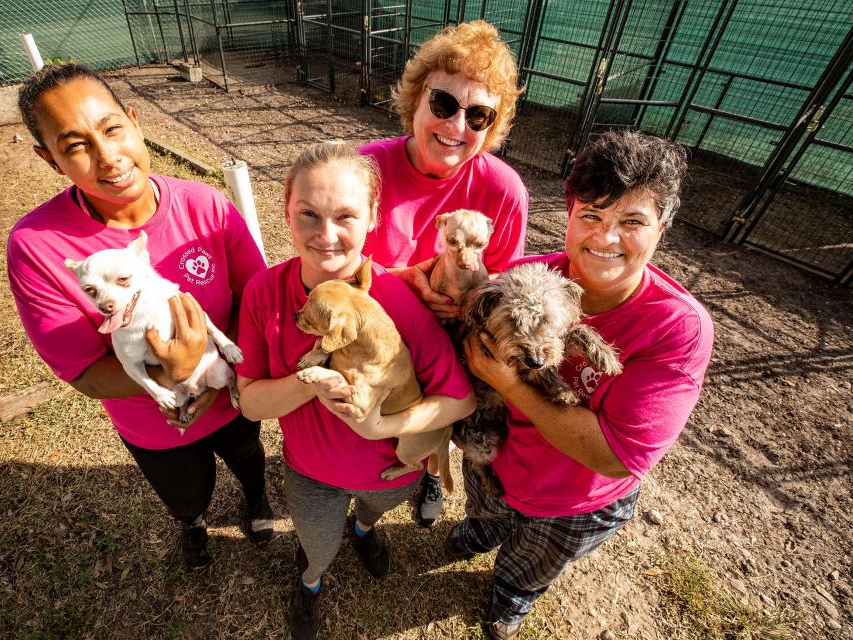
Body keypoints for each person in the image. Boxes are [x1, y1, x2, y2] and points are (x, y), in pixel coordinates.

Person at [447, 129, 715, 639]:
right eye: (591, 215)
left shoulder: (678, 327)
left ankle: (510, 598)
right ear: (569, 215)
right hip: (496, 460)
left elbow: (615, 457)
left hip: (574, 502)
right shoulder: (523, 276)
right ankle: (479, 532)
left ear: (663, 228)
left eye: (632, 222)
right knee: (484, 510)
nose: (606, 237)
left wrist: (507, 382)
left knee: (529, 566)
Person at [7, 63, 274, 569]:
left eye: (112, 129)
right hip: (155, 424)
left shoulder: (206, 206)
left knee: (248, 457)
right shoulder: (37, 247)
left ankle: (257, 500)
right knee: (186, 493)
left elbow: (253, 299)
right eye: (75, 146)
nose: (108, 157)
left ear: (134, 120)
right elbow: (83, 371)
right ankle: (194, 526)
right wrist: (170, 376)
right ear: (50, 160)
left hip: (232, 394)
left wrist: (210, 375)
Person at [234, 142, 475, 640]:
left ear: (372, 219)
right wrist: (315, 380)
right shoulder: (263, 291)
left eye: (345, 215)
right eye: (309, 214)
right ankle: (311, 580)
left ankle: (364, 531)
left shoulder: (398, 300)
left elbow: (461, 401)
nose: (326, 236)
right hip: (310, 473)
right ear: (286, 211)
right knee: (316, 544)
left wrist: (381, 425)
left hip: (390, 472)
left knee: (372, 514)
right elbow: (252, 402)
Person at [360, 20, 529, 527]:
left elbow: (502, 288)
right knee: (369, 428)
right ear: (414, 99)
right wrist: (404, 279)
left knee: (453, 409)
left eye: (478, 115)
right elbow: (336, 264)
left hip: (453, 341)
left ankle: (433, 467)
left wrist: (464, 305)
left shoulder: (503, 191)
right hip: (382, 329)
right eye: (443, 104)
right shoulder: (365, 170)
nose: (457, 126)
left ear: (491, 129)